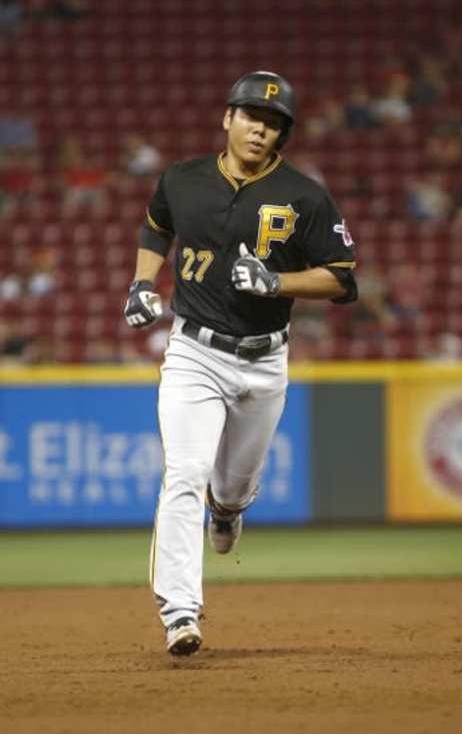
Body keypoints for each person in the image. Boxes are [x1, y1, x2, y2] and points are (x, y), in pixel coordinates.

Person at [123, 71, 358, 656]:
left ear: (283, 136)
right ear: (228, 117)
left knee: (231, 488)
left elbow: (342, 278)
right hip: (193, 353)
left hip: (263, 362)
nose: (262, 128)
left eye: (275, 123)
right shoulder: (182, 179)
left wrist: (276, 280)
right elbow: (156, 231)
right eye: (252, 115)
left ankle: (227, 511)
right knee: (183, 474)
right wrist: (139, 284)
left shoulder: (305, 195)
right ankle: (180, 612)